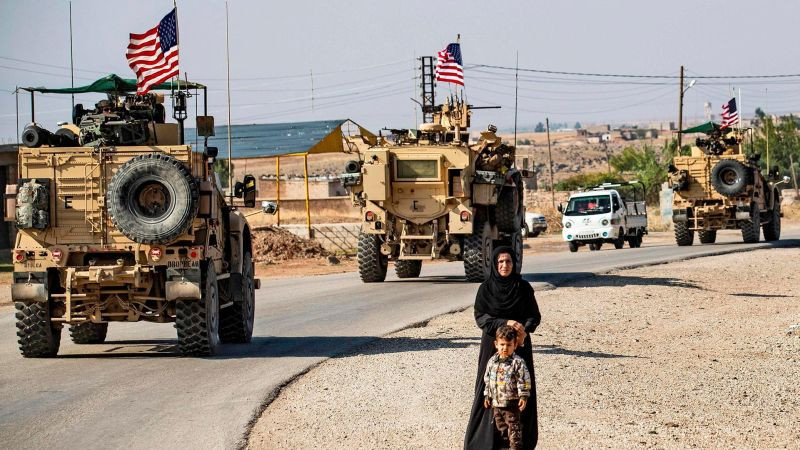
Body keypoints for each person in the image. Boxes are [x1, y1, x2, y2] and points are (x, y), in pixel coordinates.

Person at [465, 246, 541, 449]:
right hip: (493, 346)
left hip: (520, 344)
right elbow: (481, 318)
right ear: (494, 264)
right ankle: (486, 439)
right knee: (489, 386)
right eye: (500, 262)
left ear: (514, 264)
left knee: (521, 385)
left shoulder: (523, 287)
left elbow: (534, 315)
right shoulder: (486, 289)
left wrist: (523, 330)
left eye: (508, 261)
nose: (504, 265)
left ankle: (518, 441)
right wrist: (506, 323)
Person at [483, 325, 531, 450]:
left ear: (515, 345)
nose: (505, 348)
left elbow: (524, 379)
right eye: (502, 344)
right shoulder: (492, 361)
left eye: (509, 345)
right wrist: (487, 395)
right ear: (496, 344)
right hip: (497, 403)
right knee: (501, 428)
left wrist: (523, 395)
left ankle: (515, 447)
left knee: (514, 430)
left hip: (511, 403)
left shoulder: (517, 362)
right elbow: (488, 379)